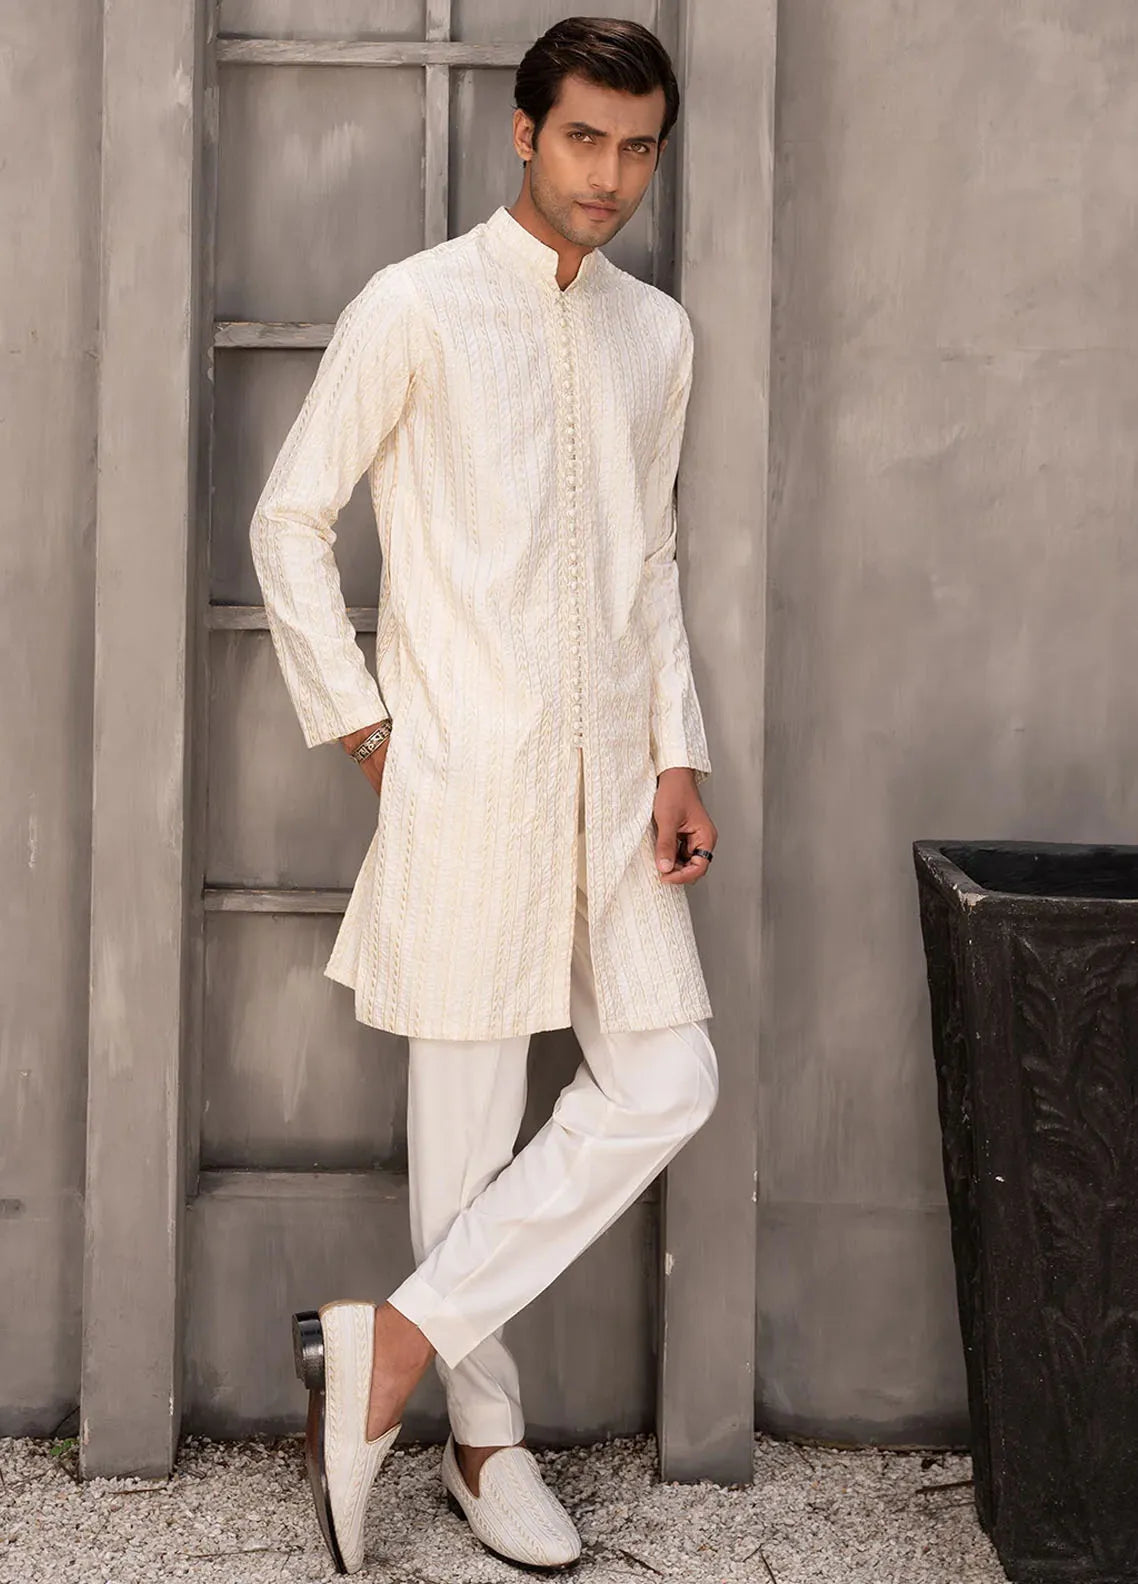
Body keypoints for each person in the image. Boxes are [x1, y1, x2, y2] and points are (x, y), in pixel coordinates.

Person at [251, 14, 720, 1576]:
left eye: (636, 148)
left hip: (614, 793)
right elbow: (289, 519)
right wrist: (366, 731)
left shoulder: (655, 334)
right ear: (523, 132)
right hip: (463, 781)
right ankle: (481, 1439)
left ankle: (384, 1346)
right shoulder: (417, 306)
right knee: (463, 1142)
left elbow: (649, 561)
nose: (608, 175)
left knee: (668, 1080)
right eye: (583, 137)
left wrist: (674, 751)